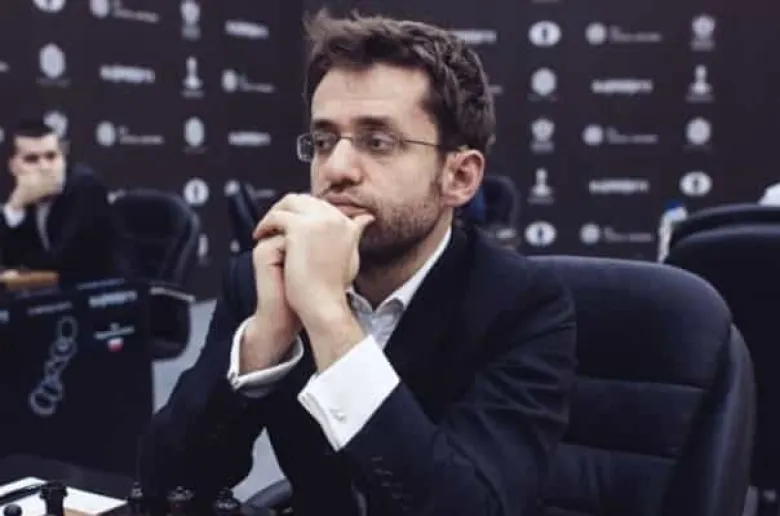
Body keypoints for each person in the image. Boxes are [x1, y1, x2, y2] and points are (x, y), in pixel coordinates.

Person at [138, 10, 577, 516]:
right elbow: (165, 487)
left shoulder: (525, 304)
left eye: (378, 142)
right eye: (324, 141)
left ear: (458, 177)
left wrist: (329, 318)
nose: (336, 169)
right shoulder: (264, 282)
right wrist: (264, 342)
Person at [0, 119, 133, 284]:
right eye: (32, 159)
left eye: (51, 156)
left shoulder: (86, 187)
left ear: (62, 157)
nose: (45, 167)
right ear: (13, 166)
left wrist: (21, 269)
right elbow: (8, 257)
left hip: (107, 292)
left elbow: (66, 260)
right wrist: (14, 208)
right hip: (51, 293)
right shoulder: (22, 196)